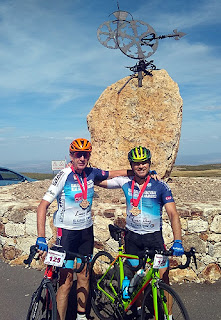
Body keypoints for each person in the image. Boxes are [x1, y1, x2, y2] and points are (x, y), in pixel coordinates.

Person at [36, 138, 133, 320]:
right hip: (66, 234)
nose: (81, 158)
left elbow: (113, 173)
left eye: (85, 154)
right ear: (71, 156)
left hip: (86, 232)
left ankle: (81, 316)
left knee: (84, 276)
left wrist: (136, 172)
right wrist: (41, 237)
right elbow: (42, 206)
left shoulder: (91, 173)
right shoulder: (63, 175)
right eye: (78, 154)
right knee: (65, 282)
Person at [97, 146, 184, 319]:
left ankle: (169, 316)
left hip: (154, 238)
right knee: (137, 277)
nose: (141, 166)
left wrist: (178, 240)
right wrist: (126, 172)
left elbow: (173, 214)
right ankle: (138, 310)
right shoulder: (125, 183)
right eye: (136, 164)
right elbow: (98, 180)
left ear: (149, 163)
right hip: (133, 238)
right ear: (131, 165)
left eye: (144, 162)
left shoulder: (160, 186)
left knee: (163, 278)